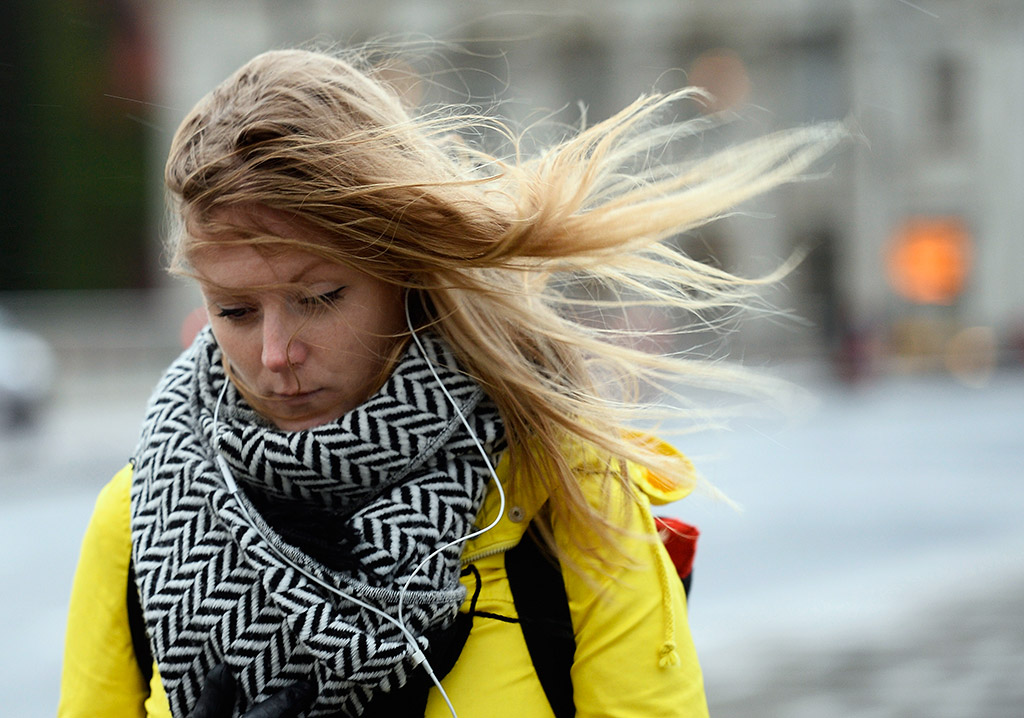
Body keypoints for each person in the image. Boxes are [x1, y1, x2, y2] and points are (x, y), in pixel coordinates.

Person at [59, 47, 843, 718]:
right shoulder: (134, 519)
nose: (275, 353)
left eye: (319, 297)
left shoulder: (567, 495)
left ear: (406, 275)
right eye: (234, 309)